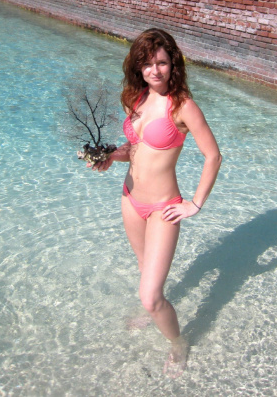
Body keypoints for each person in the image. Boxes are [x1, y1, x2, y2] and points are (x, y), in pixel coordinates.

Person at [90, 28, 221, 377]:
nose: (155, 70)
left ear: (173, 64)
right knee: (143, 267)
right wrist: (110, 158)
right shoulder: (137, 99)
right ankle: (152, 312)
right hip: (130, 198)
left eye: (162, 63)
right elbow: (135, 149)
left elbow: (213, 156)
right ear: (138, 67)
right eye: (147, 63)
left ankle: (178, 343)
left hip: (164, 208)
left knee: (151, 295)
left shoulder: (183, 106)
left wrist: (195, 203)